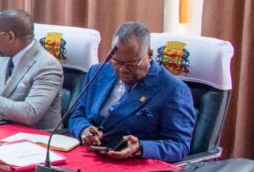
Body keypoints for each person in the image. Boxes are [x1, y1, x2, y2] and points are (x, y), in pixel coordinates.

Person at [68, 21, 196, 163]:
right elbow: (77, 114)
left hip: (133, 164)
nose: (123, 69)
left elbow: (179, 146)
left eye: (131, 64)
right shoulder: (98, 72)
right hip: (91, 156)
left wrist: (141, 147)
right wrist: (84, 130)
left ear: (149, 54)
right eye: (117, 62)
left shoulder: (173, 90)